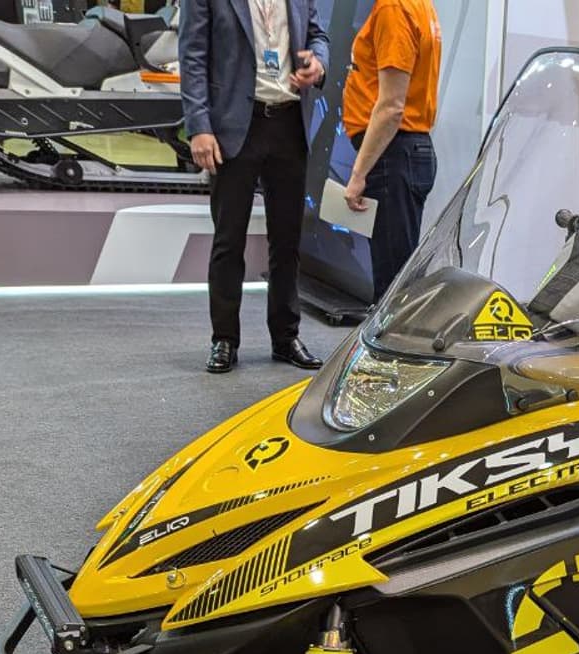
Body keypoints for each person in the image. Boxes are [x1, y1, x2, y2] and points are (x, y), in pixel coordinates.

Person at [180, 0, 328, 374]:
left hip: (289, 125)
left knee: (287, 239)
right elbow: (193, 56)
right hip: (234, 127)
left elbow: (317, 35)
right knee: (229, 240)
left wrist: (318, 64)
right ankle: (224, 339)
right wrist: (198, 126)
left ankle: (286, 336)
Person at [341, 0, 442, 303]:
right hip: (403, 152)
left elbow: (391, 107)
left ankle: (390, 335)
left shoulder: (393, 8)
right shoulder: (418, 5)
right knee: (397, 278)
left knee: (391, 289)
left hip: (393, 155)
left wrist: (358, 174)